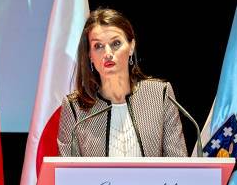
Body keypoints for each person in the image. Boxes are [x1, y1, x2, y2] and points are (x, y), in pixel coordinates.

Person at [57, 8, 187, 157]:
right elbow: (67, 175)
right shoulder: (75, 108)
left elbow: (178, 164)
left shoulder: (160, 94)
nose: (107, 53)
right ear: (90, 56)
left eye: (116, 43)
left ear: (131, 47)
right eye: (98, 46)